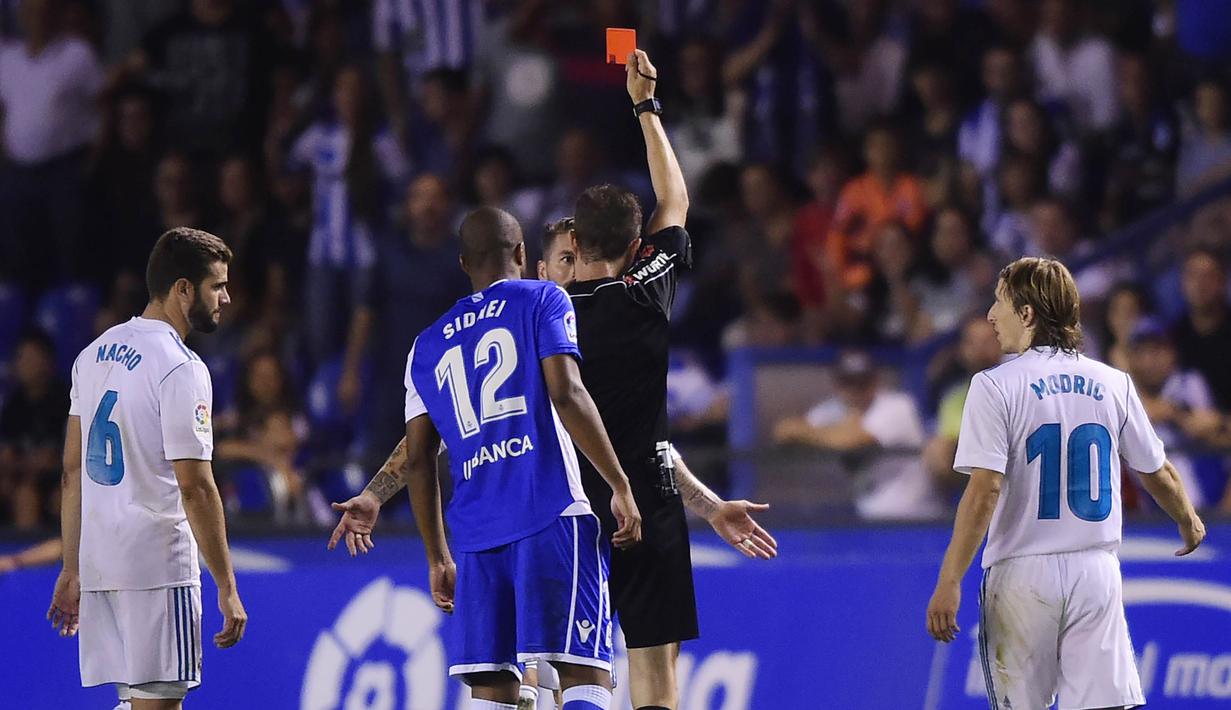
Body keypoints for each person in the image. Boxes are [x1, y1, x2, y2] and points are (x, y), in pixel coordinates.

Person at [330, 207, 642, 710]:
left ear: (462, 263)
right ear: (523, 254)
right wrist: (619, 484)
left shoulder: (426, 344)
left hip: (476, 536)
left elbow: (420, 456)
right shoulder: (543, 298)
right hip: (549, 510)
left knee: (493, 692)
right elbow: (566, 393)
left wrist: (437, 557)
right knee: (584, 672)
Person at [565, 50, 775, 710]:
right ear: (635, 248)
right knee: (655, 669)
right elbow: (675, 198)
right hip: (648, 497)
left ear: (572, 244)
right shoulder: (643, 290)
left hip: (568, 502)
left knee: (569, 669)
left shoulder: (548, 318)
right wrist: (644, 105)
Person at [925, 257, 1206, 709]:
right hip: (1094, 572)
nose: (990, 316)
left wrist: (950, 578)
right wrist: (1188, 519)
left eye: (999, 304)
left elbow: (984, 491)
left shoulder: (995, 386)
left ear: (1028, 314)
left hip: (1021, 573)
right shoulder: (1114, 382)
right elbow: (1157, 469)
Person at [48, 228, 248, 709]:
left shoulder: (92, 355)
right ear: (183, 289)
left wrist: (72, 566)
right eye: (216, 285)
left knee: (134, 700)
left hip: (101, 564)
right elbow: (195, 487)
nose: (226, 297)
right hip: (157, 566)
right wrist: (226, 585)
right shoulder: (181, 366)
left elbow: (71, 472)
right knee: (158, 704)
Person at [774, 350, 945, 520]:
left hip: (916, 519)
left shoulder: (898, 406)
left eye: (863, 383)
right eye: (849, 383)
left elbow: (851, 441)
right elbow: (784, 430)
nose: (855, 390)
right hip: (868, 519)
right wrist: (831, 431)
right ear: (837, 385)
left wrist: (821, 433)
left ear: (875, 381)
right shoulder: (832, 409)